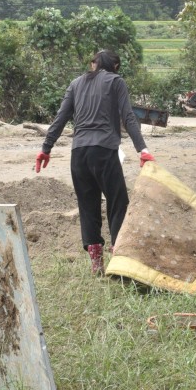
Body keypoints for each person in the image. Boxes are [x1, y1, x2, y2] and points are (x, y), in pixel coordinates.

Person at [34, 49, 154, 275]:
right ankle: (118, 257)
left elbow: (60, 118)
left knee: (88, 206)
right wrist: (142, 149)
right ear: (115, 66)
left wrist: (45, 149)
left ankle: (96, 263)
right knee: (118, 202)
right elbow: (128, 117)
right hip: (104, 150)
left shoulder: (75, 84)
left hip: (78, 153)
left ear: (94, 64)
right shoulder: (116, 82)